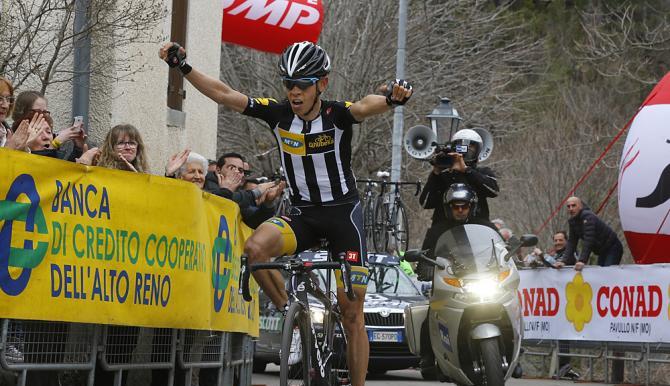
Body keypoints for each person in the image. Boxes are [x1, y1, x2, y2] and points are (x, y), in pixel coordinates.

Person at [160, 40, 412, 386]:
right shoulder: (277, 114)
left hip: (343, 218)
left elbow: (366, 105)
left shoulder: (337, 114)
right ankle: (293, 316)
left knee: (353, 313)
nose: (294, 92)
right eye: (288, 84)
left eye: (303, 85)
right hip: (303, 216)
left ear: (321, 84)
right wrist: (183, 67)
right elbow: (225, 94)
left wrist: (391, 99)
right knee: (254, 250)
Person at [417, 128, 499, 281]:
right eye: (460, 147)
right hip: (445, 231)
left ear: (478, 151)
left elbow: (493, 190)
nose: (465, 152)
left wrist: (467, 170)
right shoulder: (444, 175)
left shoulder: (483, 172)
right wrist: (436, 172)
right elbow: (426, 202)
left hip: (478, 230)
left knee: (495, 234)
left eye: (471, 148)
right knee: (433, 233)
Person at [563, 196, 623, 272]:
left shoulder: (588, 216)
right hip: (602, 251)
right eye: (568, 206)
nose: (571, 208)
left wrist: (582, 260)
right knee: (601, 275)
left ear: (581, 206)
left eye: (573, 205)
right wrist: (563, 261)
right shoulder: (572, 221)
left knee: (607, 274)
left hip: (613, 247)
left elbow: (589, 239)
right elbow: (572, 242)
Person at [0, 76, 15, 146]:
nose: (5, 106)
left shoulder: (7, 132)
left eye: (8, 99)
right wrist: (7, 151)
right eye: (0, 99)